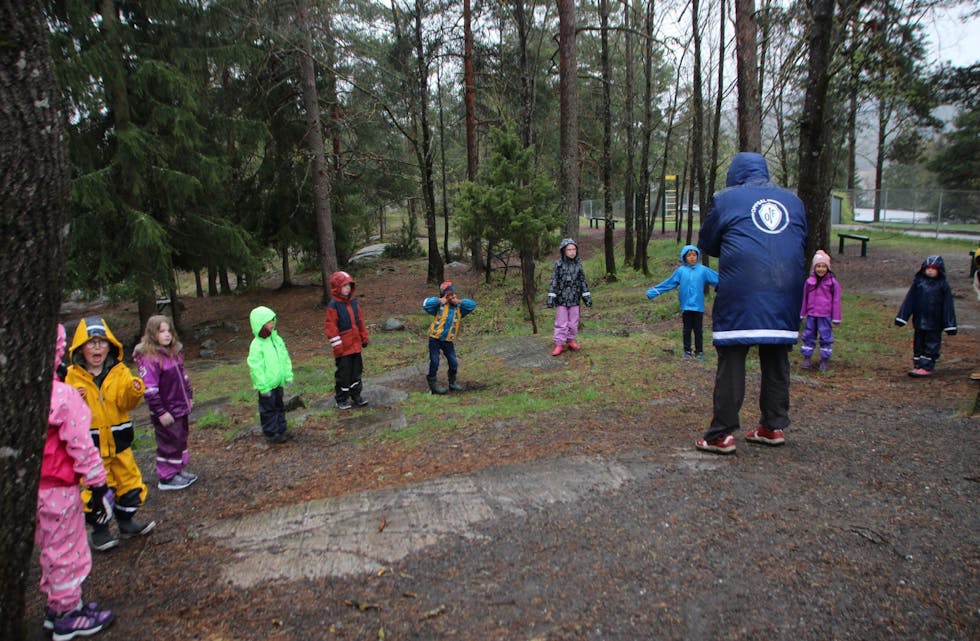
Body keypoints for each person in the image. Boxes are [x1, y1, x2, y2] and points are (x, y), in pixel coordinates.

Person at [695, 152, 808, 454]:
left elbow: (707, 243)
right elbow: (799, 240)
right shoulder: (794, 201)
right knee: (776, 357)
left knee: (732, 358)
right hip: (786, 288)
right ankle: (772, 427)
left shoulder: (725, 199)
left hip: (742, 288)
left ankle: (721, 434)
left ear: (734, 174)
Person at [38, 324, 116, 640]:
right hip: (58, 486)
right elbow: (81, 444)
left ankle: (58, 606)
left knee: (50, 549)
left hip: (36, 488)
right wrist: (98, 485)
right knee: (66, 551)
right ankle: (68, 614)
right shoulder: (62, 395)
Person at [66, 317, 156, 550]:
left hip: (119, 442)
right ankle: (100, 531)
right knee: (96, 489)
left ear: (110, 346)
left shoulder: (120, 371)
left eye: (102, 342)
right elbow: (63, 410)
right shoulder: (71, 377)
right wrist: (74, 399)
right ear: (80, 348)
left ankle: (126, 522)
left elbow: (126, 403)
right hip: (91, 447)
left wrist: (134, 391)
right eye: (91, 343)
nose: (97, 348)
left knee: (129, 482)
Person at [133, 315, 196, 491]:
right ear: (153, 333)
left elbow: (183, 376)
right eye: (162, 331)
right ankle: (166, 477)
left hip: (179, 406)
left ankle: (177, 470)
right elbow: (150, 389)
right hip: (167, 410)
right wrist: (161, 412)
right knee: (168, 441)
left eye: (169, 330)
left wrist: (189, 395)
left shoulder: (173, 353)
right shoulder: (150, 358)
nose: (167, 335)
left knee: (179, 439)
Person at [646, 244, 719, 359]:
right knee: (687, 330)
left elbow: (718, 279)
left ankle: (699, 352)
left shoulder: (703, 270)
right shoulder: (681, 271)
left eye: (694, 255)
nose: (692, 257)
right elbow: (669, 283)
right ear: (684, 257)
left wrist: (731, 286)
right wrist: (654, 291)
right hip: (686, 306)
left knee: (698, 330)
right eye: (689, 255)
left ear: (698, 256)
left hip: (698, 306)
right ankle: (687, 351)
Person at [895, 255, 957, 377]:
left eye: (933, 268)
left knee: (932, 343)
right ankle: (918, 364)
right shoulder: (918, 283)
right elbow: (909, 301)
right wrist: (902, 317)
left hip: (935, 322)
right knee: (918, 343)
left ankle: (926, 365)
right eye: (928, 268)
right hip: (919, 320)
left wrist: (950, 325)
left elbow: (948, 306)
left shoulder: (942, 285)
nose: (930, 270)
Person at [248, 306, 295, 442]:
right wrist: (263, 387)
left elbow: (284, 358)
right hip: (266, 386)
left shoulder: (276, 339)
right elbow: (256, 367)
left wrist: (288, 375)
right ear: (260, 324)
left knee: (279, 406)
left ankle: (281, 429)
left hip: (278, 383)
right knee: (268, 410)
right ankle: (271, 433)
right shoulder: (257, 345)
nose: (272, 323)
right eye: (268, 321)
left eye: (272, 320)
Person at [324, 271, 370, 409]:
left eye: (349, 285)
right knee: (344, 374)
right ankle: (341, 398)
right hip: (343, 348)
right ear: (337, 288)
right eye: (344, 286)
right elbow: (330, 327)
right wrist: (337, 346)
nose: (347, 288)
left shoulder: (354, 303)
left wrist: (364, 336)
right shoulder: (333, 306)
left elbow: (360, 321)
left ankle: (356, 395)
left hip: (355, 345)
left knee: (356, 371)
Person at [422, 281, 477, 394]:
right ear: (444, 295)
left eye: (453, 294)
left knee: (453, 362)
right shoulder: (439, 306)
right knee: (435, 361)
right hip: (435, 338)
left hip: (448, 340)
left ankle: (452, 383)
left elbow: (472, 305)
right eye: (448, 295)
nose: (451, 297)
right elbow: (425, 304)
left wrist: (459, 301)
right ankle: (433, 385)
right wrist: (439, 300)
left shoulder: (459, 308)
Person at [547, 238, 592, 356]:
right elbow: (554, 281)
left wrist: (586, 296)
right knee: (561, 322)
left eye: (574, 249)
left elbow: (583, 281)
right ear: (564, 251)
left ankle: (570, 340)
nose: (572, 252)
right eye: (569, 250)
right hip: (561, 299)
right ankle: (559, 344)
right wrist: (551, 296)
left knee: (573, 322)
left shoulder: (578, 264)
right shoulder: (558, 264)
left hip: (574, 299)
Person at [799, 249, 842, 371]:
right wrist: (802, 313)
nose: (821, 269)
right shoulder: (809, 282)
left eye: (824, 266)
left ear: (828, 268)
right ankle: (807, 358)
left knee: (825, 337)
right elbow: (804, 299)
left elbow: (836, 301)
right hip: (812, 315)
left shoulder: (833, 283)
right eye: (818, 266)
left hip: (825, 315)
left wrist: (836, 317)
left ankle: (824, 360)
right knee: (808, 336)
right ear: (814, 267)